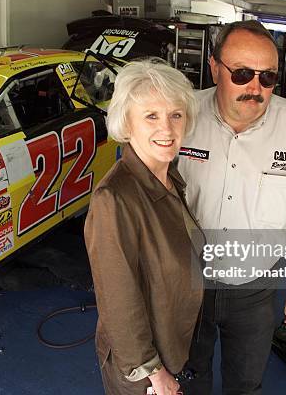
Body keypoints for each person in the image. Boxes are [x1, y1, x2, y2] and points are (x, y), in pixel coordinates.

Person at [177, 20, 286, 394]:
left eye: (267, 77)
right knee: (188, 375)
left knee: (247, 382)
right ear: (214, 68)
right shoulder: (183, 117)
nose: (255, 88)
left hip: (254, 290)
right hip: (186, 282)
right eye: (241, 73)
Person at [84, 58, 203, 395]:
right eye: (151, 116)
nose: (166, 129)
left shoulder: (169, 178)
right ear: (127, 123)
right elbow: (117, 298)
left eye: (175, 115)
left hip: (169, 343)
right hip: (140, 369)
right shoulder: (115, 198)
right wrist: (153, 372)